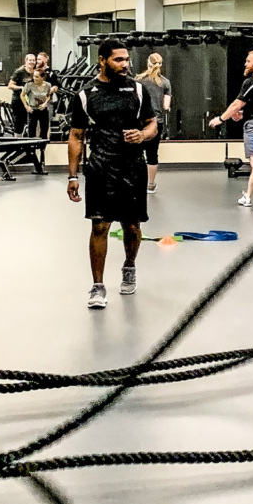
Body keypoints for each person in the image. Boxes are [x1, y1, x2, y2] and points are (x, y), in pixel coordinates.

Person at [68, 38, 157, 309]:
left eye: (127, 59)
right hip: (100, 167)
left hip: (132, 166)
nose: (125, 64)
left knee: (131, 226)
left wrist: (142, 135)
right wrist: (73, 175)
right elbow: (76, 136)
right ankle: (97, 286)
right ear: (102, 59)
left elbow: (152, 124)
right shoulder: (86, 95)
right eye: (119, 59)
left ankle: (129, 266)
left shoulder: (138, 90)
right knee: (99, 225)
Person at [209, 50, 253, 212]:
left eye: (248, 61)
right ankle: (247, 196)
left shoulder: (252, 81)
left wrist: (221, 119)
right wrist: (244, 114)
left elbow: (236, 104)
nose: (245, 64)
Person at [135, 53, 172, 194]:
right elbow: (166, 106)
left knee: (136, 152)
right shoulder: (165, 82)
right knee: (152, 153)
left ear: (148, 63)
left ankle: (136, 182)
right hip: (156, 123)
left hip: (138, 121)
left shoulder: (137, 81)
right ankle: (150, 184)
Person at [8, 53, 36, 135]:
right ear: (26, 61)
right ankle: (17, 141)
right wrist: (20, 88)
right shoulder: (19, 72)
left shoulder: (36, 72)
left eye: (33, 60)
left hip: (32, 101)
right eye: (30, 60)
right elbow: (10, 85)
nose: (32, 62)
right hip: (19, 100)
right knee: (19, 123)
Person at [22, 67, 53, 137]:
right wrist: (26, 106)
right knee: (32, 130)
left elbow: (49, 96)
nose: (35, 78)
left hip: (43, 109)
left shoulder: (47, 85)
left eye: (37, 77)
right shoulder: (29, 85)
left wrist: (45, 103)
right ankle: (31, 146)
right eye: (34, 76)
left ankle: (42, 146)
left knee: (44, 130)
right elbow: (22, 95)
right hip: (33, 110)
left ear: (42, 77)